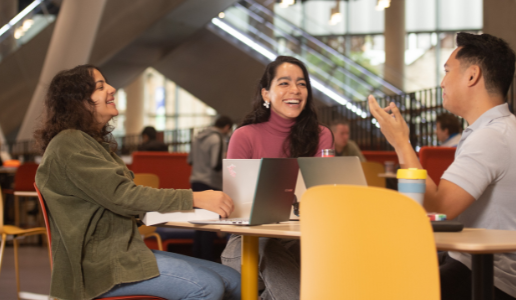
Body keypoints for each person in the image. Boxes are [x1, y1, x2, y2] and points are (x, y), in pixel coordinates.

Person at [34, 65, 241, 300]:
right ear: (78, 101)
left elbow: (124, 199)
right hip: (98, 266)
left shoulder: (91, 143)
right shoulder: (69, 143)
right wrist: (195, 197)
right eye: (101, 87)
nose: (112, 89)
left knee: (234, 281)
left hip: (125, 252)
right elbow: (125, 196)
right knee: (207, 287)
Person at [367, 33, 516, 300]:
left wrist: (401, 143)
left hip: (493, 277)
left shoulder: (492, 137)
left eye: (447, 71)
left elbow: (439, 207)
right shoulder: (489, 130)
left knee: (384, 288)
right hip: (469, 261)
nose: (442, 82)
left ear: (472, 76)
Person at [221, 56, 334, 300]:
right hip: (248, 244)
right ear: (266, 94)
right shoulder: (244, 136)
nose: (295, 90)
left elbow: (323, 197)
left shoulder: (321, 136)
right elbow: (234, 204)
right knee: (268, 245)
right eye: (284, 83)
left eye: (302, 84)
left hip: (301, 239)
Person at [188, 115, 234, 261]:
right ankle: (207, 260)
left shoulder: (198, 137)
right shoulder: (217, 138)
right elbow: (216, 164)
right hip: (210, 183)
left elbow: (189, 160)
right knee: (209, 226)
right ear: (227, 127)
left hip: (196, 180)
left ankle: (197, 258)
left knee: (199, 225)